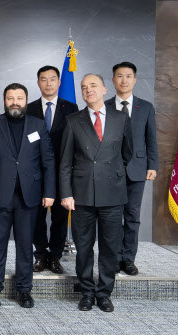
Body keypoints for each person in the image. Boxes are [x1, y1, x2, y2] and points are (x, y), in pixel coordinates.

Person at [0, 83, 56, 308]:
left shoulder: (38, 126)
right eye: (10, 98)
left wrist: (50, 192)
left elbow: (48, 162)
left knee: (25, 247)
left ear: (26, 100)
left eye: (19, 98)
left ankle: (24, 290)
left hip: (29, 197)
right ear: (4, 100)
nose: (15, 102)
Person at [60, 74, 133, 313]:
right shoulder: (73, 121)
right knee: (83, 246)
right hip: (81, 195)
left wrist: (110, 172)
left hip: (112, 193)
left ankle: (104, 293)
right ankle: (86, 292)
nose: (88, 90)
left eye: (93, 85)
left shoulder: (121, 118)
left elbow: (127, 153)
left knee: (110, 246)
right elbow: (65, 162)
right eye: (84, 87)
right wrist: (66, 193)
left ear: (104, 88)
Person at [106, 61, 158, 276]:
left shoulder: (145, 107)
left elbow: (151, 138)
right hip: (110, 170)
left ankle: (128, 259)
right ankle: (115, 257)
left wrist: (153, 165)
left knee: (132, 215)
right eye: (119, 76)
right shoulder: (105, 106)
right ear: (113, 80)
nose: (124, 80)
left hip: (137, 168)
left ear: (135, 80)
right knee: (113, 216)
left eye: (128, 76)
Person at [27, 65, 79, 274]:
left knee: (59, 217)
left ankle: (55, 256)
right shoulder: (29, 109)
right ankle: (40, 255)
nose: (48, 83)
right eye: (43, 79)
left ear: (59, 82)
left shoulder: (72, 108)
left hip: (61, 172)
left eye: (52, 79)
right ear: (38, 82)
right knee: (36, 217)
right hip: (34, 172)